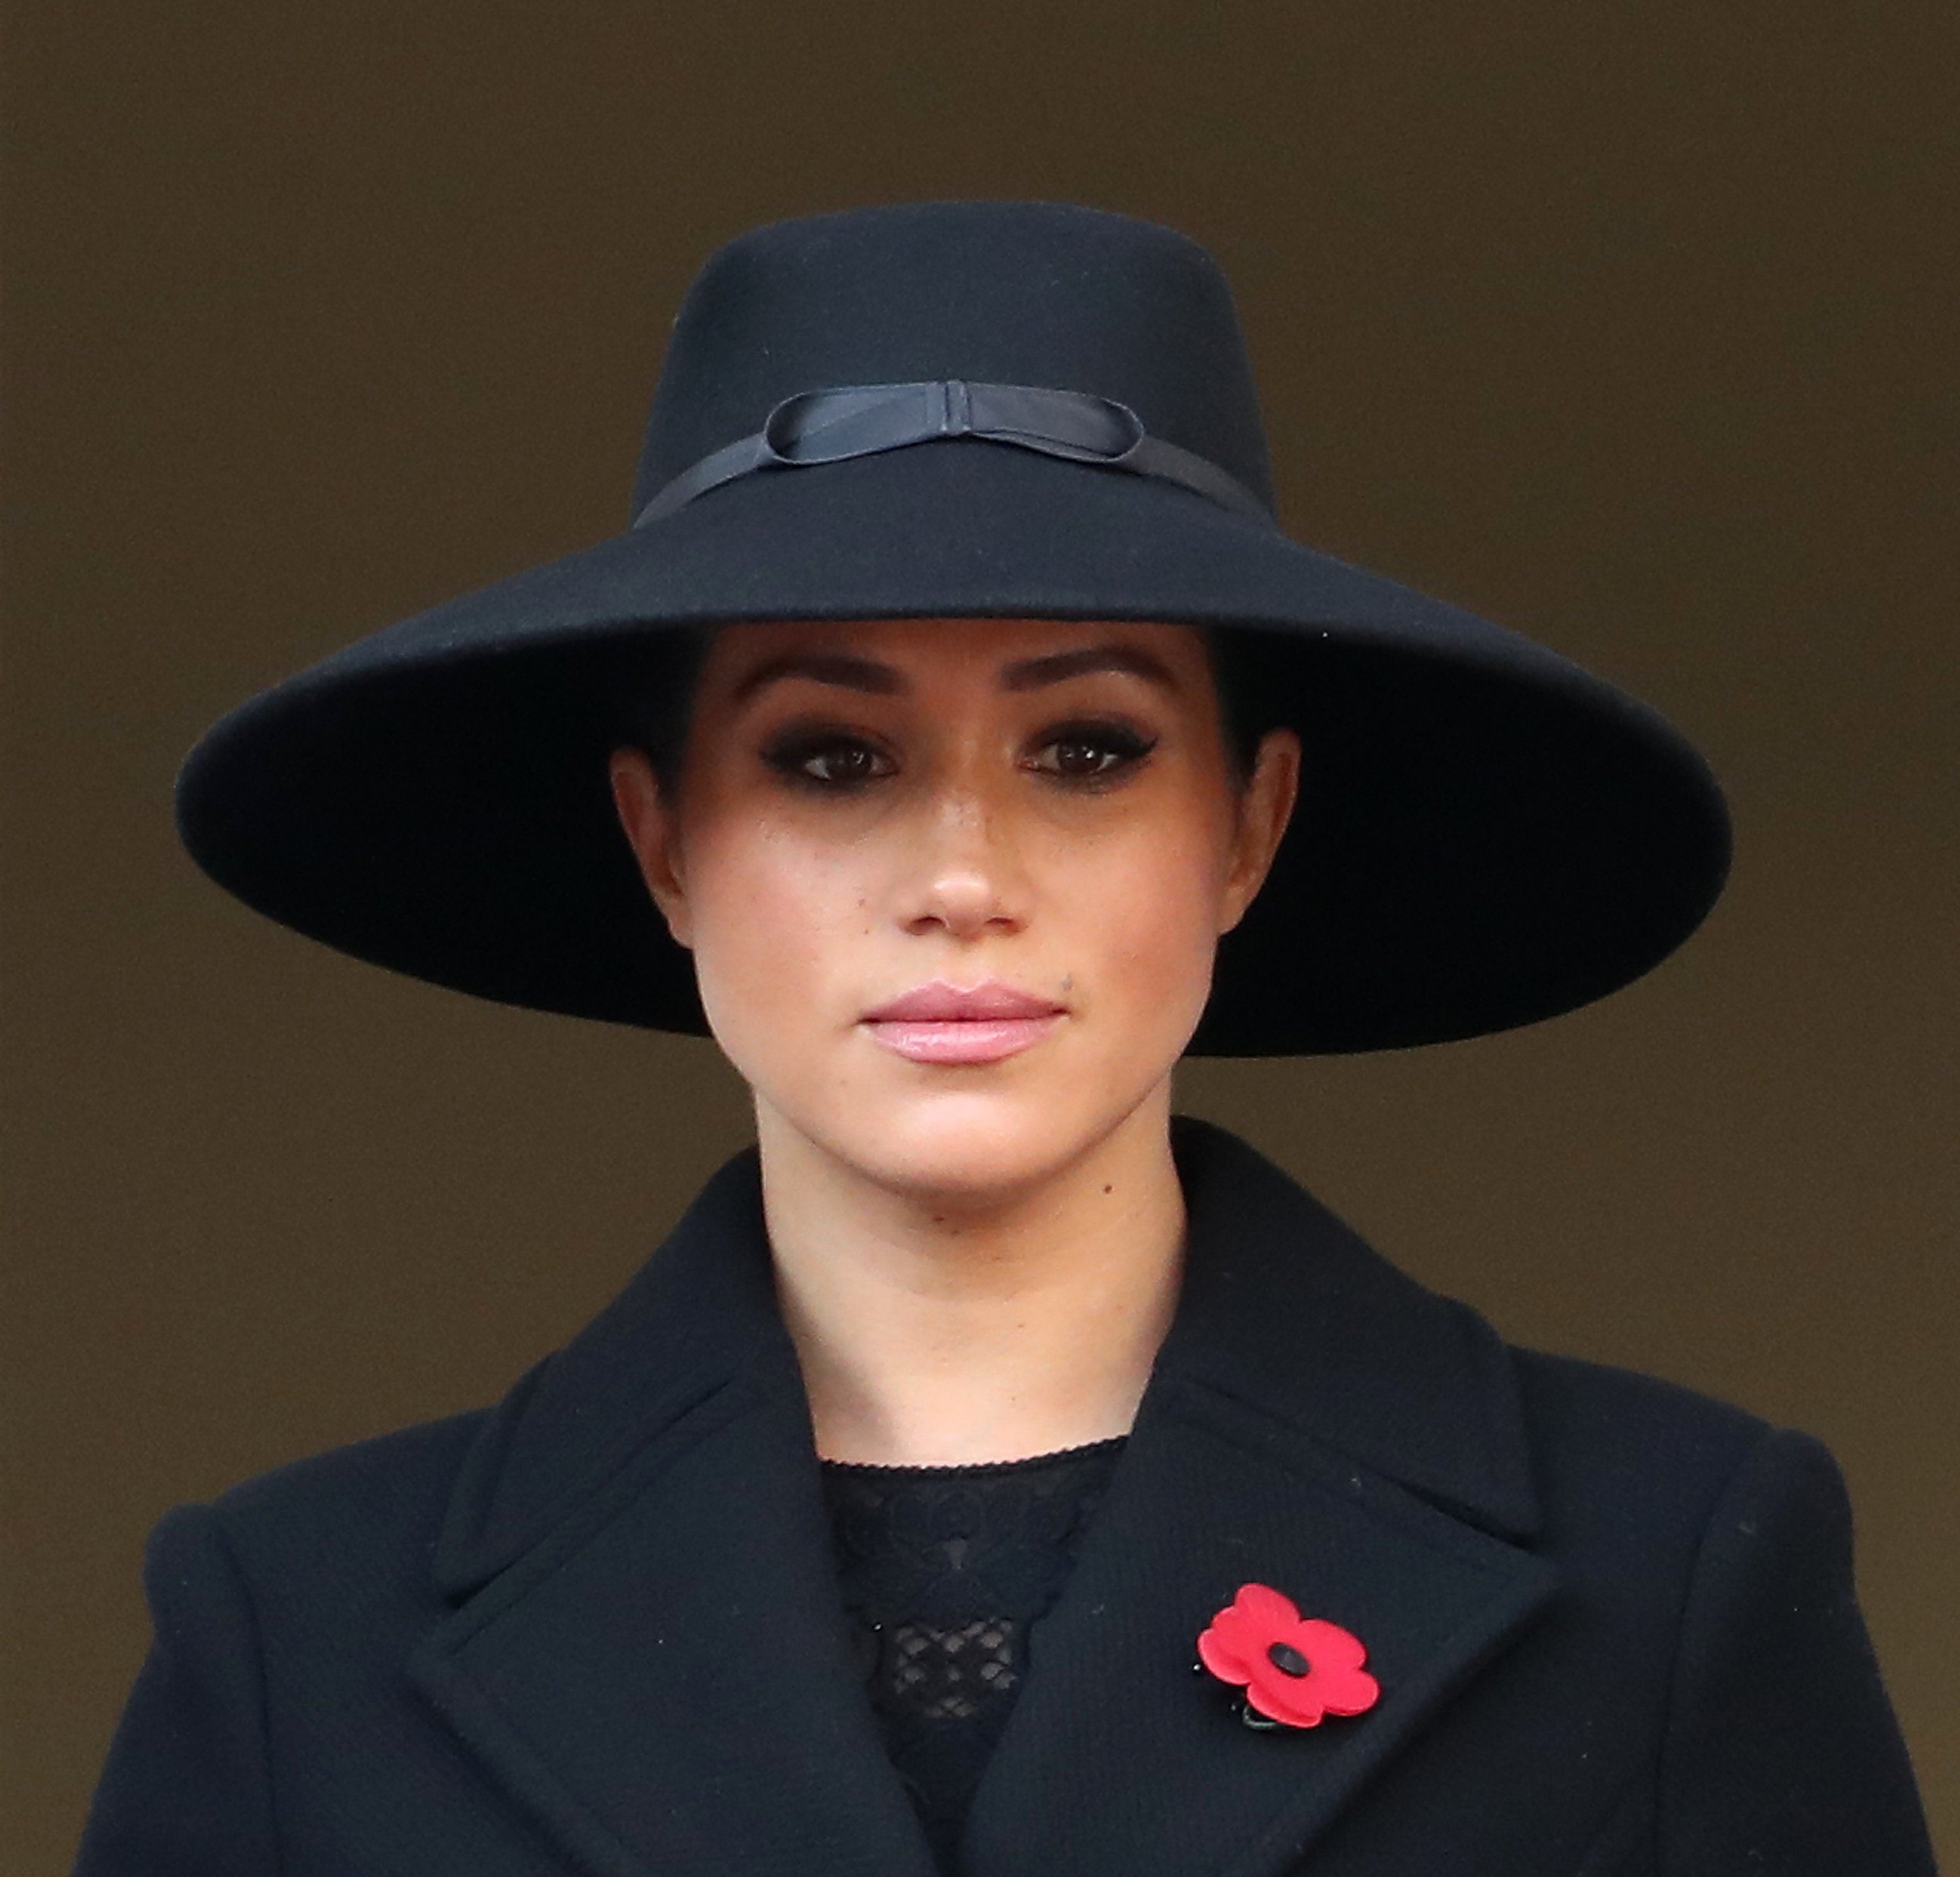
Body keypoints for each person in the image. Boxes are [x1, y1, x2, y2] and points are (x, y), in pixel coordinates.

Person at [76, 203, 1933, 1876]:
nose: (963, 876)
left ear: (1249, 826)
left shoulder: (1671, 1571)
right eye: (830, 756)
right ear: (660, 840)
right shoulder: (294, 1634)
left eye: (1089, 748)